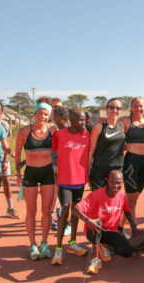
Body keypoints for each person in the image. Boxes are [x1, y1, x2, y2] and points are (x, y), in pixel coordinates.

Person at [73, 170, 140, 274]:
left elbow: (127, 211)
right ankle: (96, 257)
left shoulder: (122, 195)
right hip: (94, 229)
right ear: (108, 182)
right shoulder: (96, 195)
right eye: (114, 182)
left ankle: (104, 245)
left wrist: (133, 226)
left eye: (119, 183)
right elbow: (76, 209)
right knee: (98, 223)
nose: (116, 186)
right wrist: (87, 220)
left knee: (127, 252)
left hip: (111, 231)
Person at [15, 98, 57, 260]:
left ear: (49, 115)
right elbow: (18, 153)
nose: (43, 116)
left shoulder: (53, 130)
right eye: (40, 113)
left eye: (46, 114)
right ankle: (33, 244)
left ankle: (44, 243)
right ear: (34, 114)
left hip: (47, 173)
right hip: (31, 173)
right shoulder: (24, 131)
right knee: (31, 211)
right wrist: (18, 174)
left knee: (46, 210)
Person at [51, 110, 90, 265]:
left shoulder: (86, 135)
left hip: (80, 180)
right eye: (80, 120)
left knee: (76, 210)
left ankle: (72, 243)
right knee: (65, 209)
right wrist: (56, 176)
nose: (83, 123)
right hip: (65, 181)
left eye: (84, 120)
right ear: (72, 121)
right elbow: (53, 156)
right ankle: (58, 249)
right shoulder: (59, 135)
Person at [118, 96, 144, 236]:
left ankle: (120, 227)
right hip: (131, 162)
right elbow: (116, 138)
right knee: (131, 199)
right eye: (136, 105)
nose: (139, 108)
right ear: (131, 107)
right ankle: (134, 232)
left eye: (141, 106)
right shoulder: (125, 121)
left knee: (135, 198)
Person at [89, 98, 125, 190]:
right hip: (99, 169)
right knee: (99, 200)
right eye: (111, 107)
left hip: (117, 169)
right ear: (107, 109)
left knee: (114, 200)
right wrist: (87, 172)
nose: (114, 110)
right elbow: (91, 151)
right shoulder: (99, 127)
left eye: (118, 108)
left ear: (121, 110)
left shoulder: (122, 125)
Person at [50, 106, 69, 232]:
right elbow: (54, 150)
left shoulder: (70, 131)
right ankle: (61, 217)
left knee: (67, 197)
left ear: (62, 117)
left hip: (68, 168)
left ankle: (66, 222)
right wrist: (54, 165)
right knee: (60, 193)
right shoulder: (56, 132)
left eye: (55, 116)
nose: (53, 119)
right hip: (58, 167)